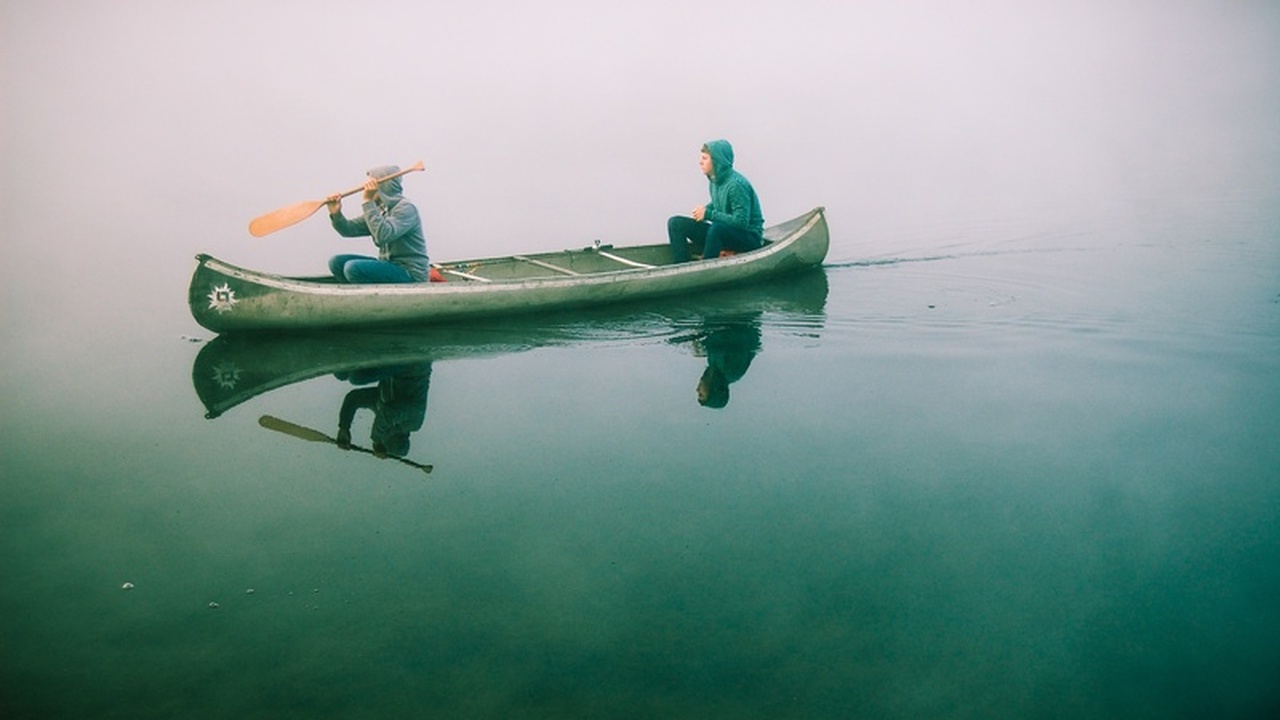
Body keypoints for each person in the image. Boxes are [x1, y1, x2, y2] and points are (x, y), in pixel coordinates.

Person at [326, 165, 429, 283]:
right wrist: (336, 214)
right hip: (388, 265)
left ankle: (369, 298)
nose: (365, 189)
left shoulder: (406, 208)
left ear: (383, 187)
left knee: (353, 268)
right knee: (336, 262)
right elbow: (349, 230)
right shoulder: (380, 209)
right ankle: (354, 295)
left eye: (371, 186)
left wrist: (368, 202)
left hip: (410, 272)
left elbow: (383, 235)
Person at [667, 139, 765, 263]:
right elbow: (719, 203)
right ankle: (681, 266)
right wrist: (704, 211)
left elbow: (741, 222)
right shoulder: (715, 181)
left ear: (717, 161)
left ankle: (704, 267)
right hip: (725, 233)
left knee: (717, 228)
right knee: (676, 223)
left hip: (749, 238)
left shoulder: (736, 185)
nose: (700, 162)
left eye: (704, 158)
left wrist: (708, 214)